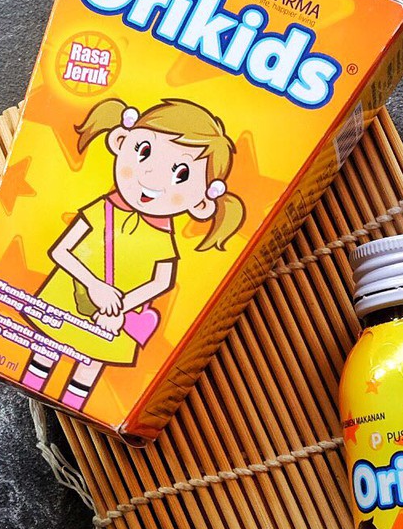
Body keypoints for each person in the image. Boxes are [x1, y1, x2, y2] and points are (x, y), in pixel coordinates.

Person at [20, 97, 245, 411]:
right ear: (120, 141)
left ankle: (74, 409)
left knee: (87, 371)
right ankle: (33, 383)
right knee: (44, 354)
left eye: (181, 174)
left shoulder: (162, 237)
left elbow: (162, 282)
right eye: (144, 151)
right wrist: (95, 286)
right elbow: (61, 249)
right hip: (67, 297)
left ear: (202, 203)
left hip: (111, 317)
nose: (151, 176)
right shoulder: (103, 209)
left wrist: (120, 308)